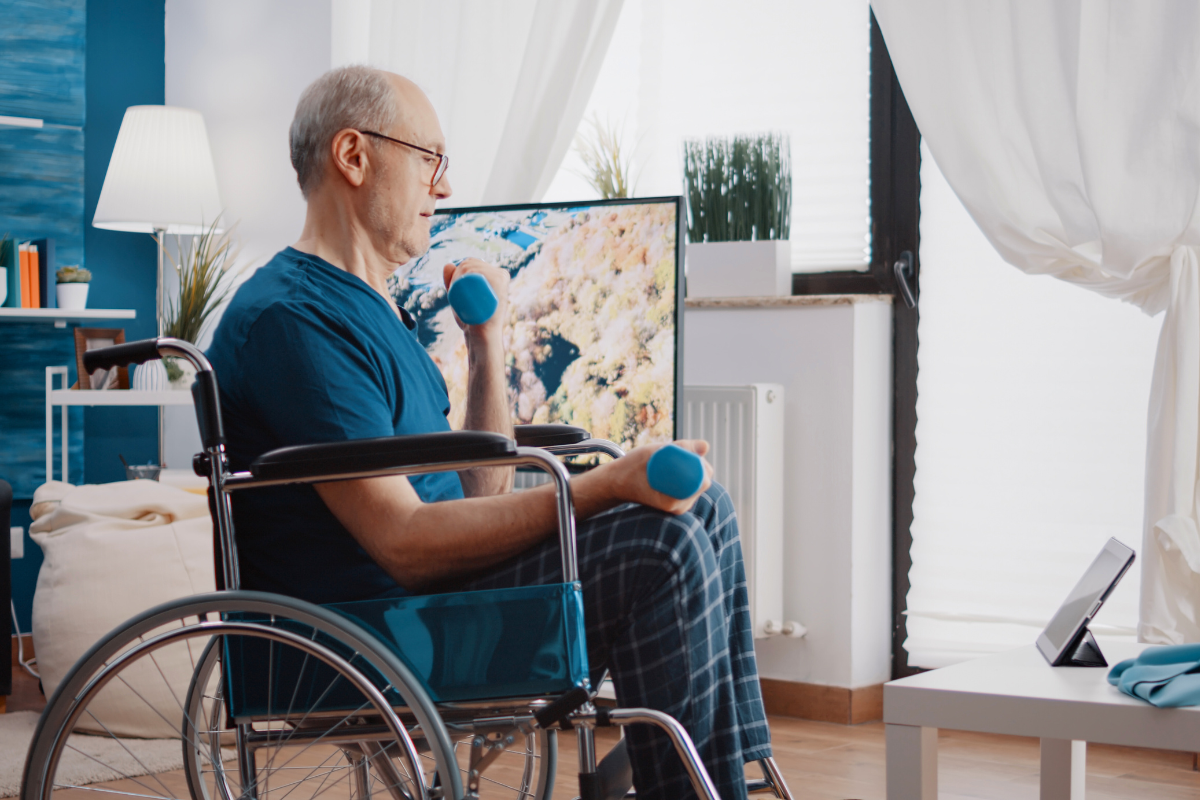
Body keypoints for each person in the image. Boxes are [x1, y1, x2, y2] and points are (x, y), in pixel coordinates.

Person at [206, 64, 770, 800]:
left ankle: (725, 778)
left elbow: (481, 484)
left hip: (434, 608)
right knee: (660, 545)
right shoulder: (294, 321)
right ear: (354, 156)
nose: (442, 187)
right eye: (430, 159)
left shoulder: (372, 310)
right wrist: (606, 484)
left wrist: (486, 340)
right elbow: (405, 544)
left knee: (706, 509)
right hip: (377, 635)